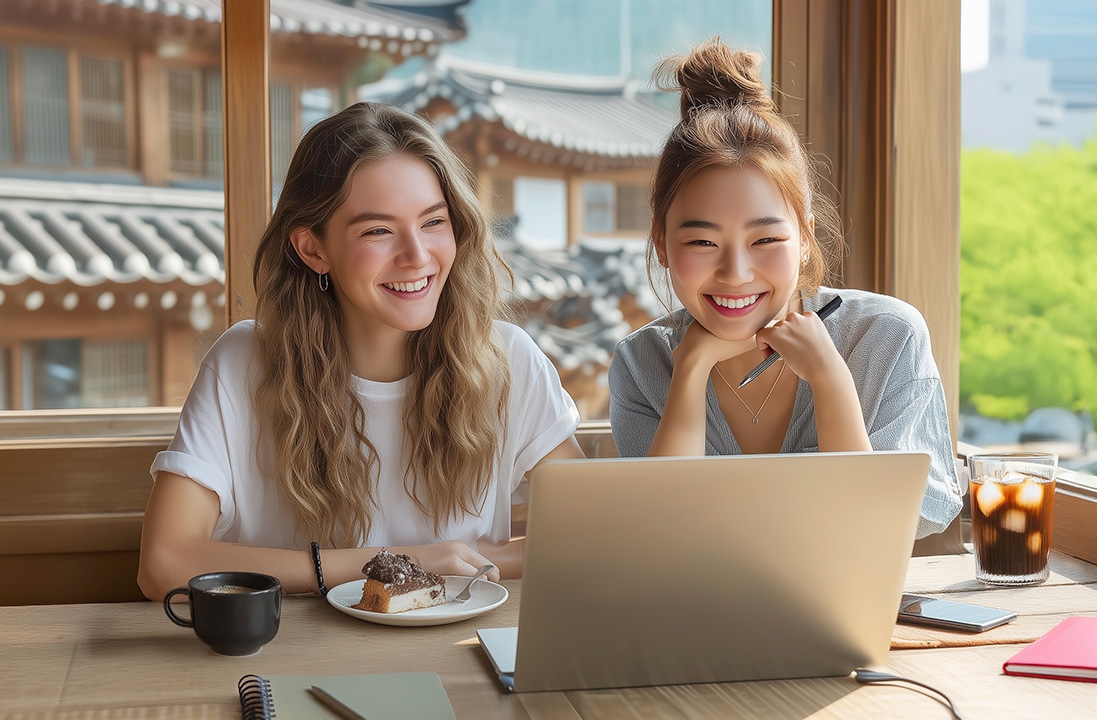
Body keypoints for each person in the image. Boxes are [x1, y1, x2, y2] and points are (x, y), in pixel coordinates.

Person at [138, 103, 583, 600]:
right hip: (294, 645)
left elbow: (590, 535)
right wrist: (396, 565)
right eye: (378, 231)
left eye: (434, 222)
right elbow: (164, 563)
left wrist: (465, 561)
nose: (417, 255)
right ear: (313, 249)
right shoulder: (242, 363)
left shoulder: (508, 360)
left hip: (459, 642)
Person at [608, 39, 961, 538]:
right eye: (703, 241)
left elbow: (888, 527)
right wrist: (689, 371)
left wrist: (830, 378)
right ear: (661, 244)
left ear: (805, 239)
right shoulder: (642, 363)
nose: (735, 272)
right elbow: (660, 534)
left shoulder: (885, 336)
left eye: (766, 240)